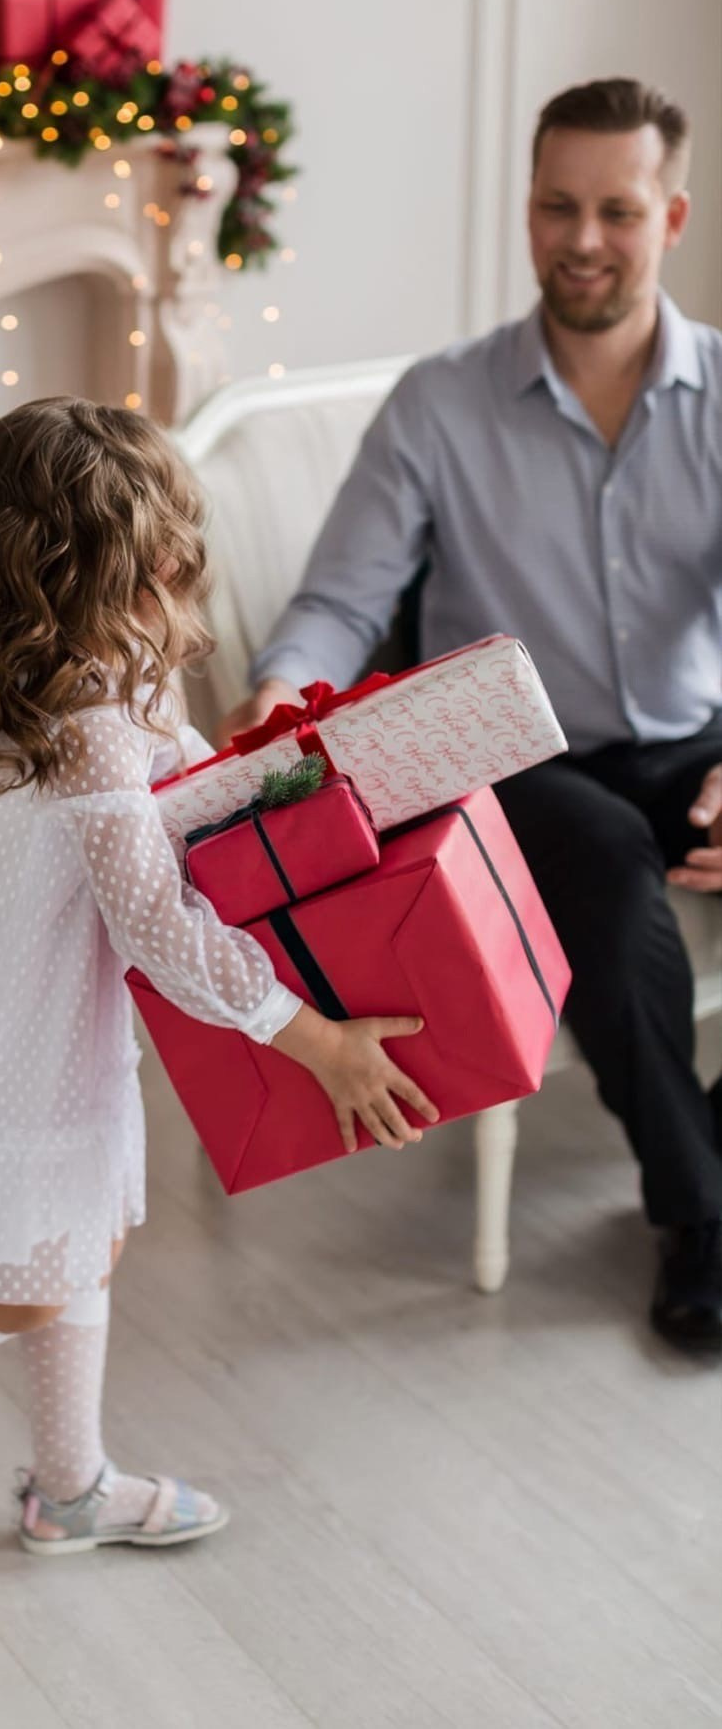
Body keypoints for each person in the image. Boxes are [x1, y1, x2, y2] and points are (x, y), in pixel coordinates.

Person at [0, 395, 438, 1551]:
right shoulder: (84, 715)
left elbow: (192, 781)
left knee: (77, 1242)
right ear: (70, 579)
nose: (172, 594)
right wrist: (316, 1039)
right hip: (9, 1036)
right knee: (43, 1272)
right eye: (150, 572)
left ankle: (70, 1481)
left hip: (20, 1014)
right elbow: (155, 925)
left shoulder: (96, 676)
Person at [220, 78, 722, 1357]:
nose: (583, 237)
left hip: (690, 740)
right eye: (557, 206)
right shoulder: (436, 405)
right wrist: (283, 689)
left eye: (615, 209)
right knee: (607, 869)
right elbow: (339, 601)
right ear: (526, 212)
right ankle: (699, 1218)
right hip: (508, 755)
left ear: (669, 215)